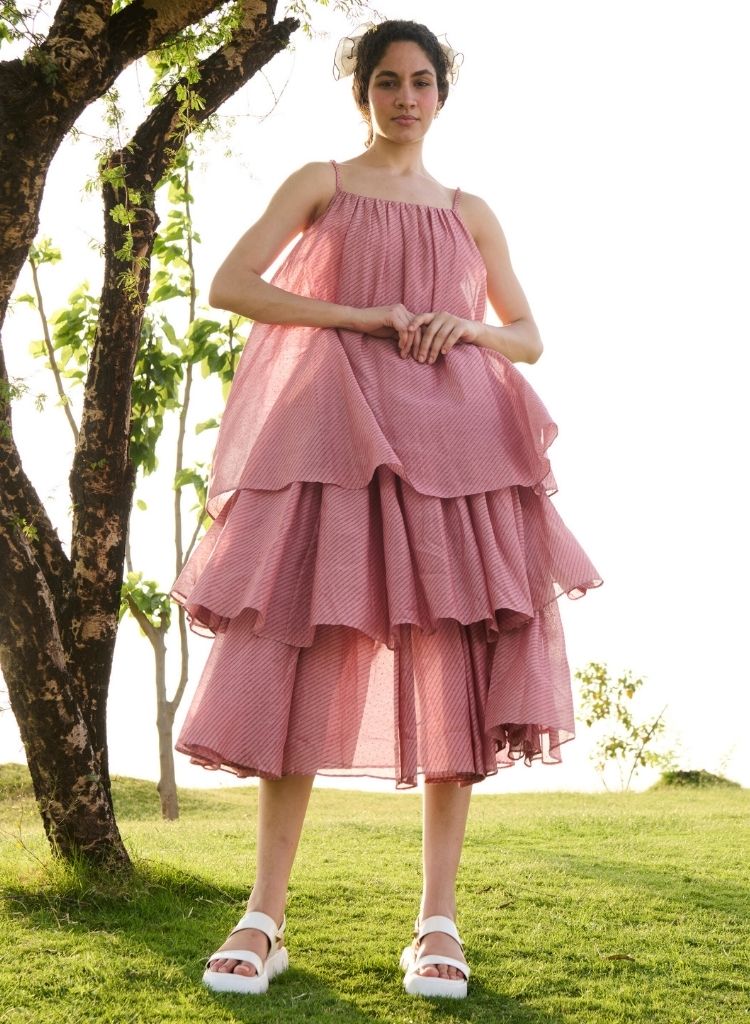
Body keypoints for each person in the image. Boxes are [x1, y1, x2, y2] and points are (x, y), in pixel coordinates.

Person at [169, 18, 601, 1000]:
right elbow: (232, 285)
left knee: (453, 664)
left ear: (443, 92)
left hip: (455, 452)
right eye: (387, 82)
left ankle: (437, 923)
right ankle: (264, 916)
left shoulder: (469, 211)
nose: (406, 98)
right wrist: (358, 316)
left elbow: (529, 336)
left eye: (421, 81)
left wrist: (468, 328)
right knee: (301, 656)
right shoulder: (320, 183)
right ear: (361, 91)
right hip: (337, 443)